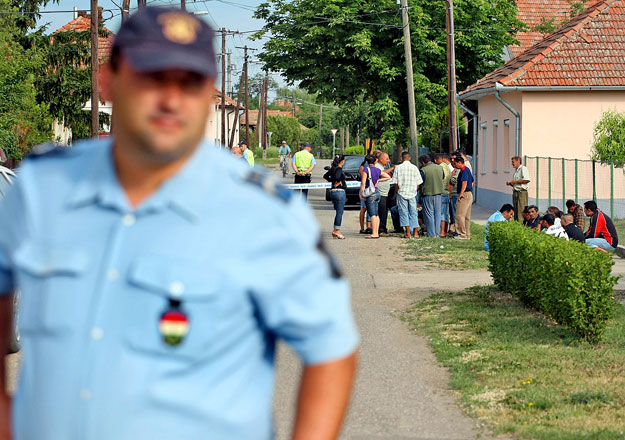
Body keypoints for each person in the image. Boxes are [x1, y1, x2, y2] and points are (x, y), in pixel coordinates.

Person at [0, 8, 359, 440]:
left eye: (189, 83)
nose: (171, 99)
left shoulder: (263, 214)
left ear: (209, 93)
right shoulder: (44, 187)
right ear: (107, 81)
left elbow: (331, 350)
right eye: (152, 77)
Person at [359, 155, 390, 239]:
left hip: (370, 194)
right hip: (377, 192)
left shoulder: (366, 170)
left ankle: (374, 233)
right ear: (375, 161)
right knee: (376, 214)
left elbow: (363, 183)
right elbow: (388, 177)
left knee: (372, 214)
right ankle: (376, 232)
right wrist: (379, 180)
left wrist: (362, 193)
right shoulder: (378, 170)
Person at [394, 151, 423, 239]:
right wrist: (415, 189)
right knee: (413, 212)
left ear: (401, 158)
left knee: (404, 212)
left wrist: (398, 190)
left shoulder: (398, 168)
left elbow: (395, 182)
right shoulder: (414, 168)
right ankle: (415, 232)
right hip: (412, 193)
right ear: (409, 158)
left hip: (402, 192)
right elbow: (419, 182)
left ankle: (407, 233)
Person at [420, 154, 444, 237]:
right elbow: (443, 177)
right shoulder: (440, 167)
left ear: (423, 162)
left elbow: (420, 181)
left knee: (429, 214)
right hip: (438, 194)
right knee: (438, 214)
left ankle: (431, 233)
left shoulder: (423, 170)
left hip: (427, 194)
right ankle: (437, 233)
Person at [452, 155, 474, 240]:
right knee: (466, 216)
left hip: (464, 194)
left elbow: (465, 182)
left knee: (459, 215)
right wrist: (469, 189)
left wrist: (461, 193)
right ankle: (467, 234)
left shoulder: (464, 170)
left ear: (460, 162)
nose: (455, 165)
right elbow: (472, 181)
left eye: (455, 163)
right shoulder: (467, 170)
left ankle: (461, 234)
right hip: (469, 194)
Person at [376, 152, 395, 237]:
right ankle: (381, 229)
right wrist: (392, 168)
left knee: (384, 212)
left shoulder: (382, 167)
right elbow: (382, 173)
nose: (388, 161)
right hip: (380, 193)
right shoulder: (377, 167)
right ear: (381, 159)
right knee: (382, 213)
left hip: (385, 193)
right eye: (386, 159)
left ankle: (383, 228)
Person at [328, 154, 347, 240]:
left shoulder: (333, 168)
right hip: (339, 192)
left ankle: (336, 229)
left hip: (333, 192)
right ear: (342, 161)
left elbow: (325, 176)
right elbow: (337, 176)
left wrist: (332, 181)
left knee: (337, 212)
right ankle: (337, 230)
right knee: (340, 212)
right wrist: (339, 181)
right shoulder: (339, 168)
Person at [506, 156, 530, 222]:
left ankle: (521, 225)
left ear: (518, 161)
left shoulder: (523, 168)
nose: (512, 164)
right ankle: (516, 224)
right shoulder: (516, 171)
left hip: (521, 192)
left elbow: (527, 180)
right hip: (516, 192)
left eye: (513, 162)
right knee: (516, 210)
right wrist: (510, 183)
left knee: (521, 211)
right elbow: (516, 184)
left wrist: (515, 182)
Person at [436, 154, 452, 237]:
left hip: (441, 191)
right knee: (445, 213)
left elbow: (441, 179)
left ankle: (441, 231)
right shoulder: (448, 167)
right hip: (446, 192)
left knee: (441, 212)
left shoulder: (440, 167)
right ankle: (445, 231)